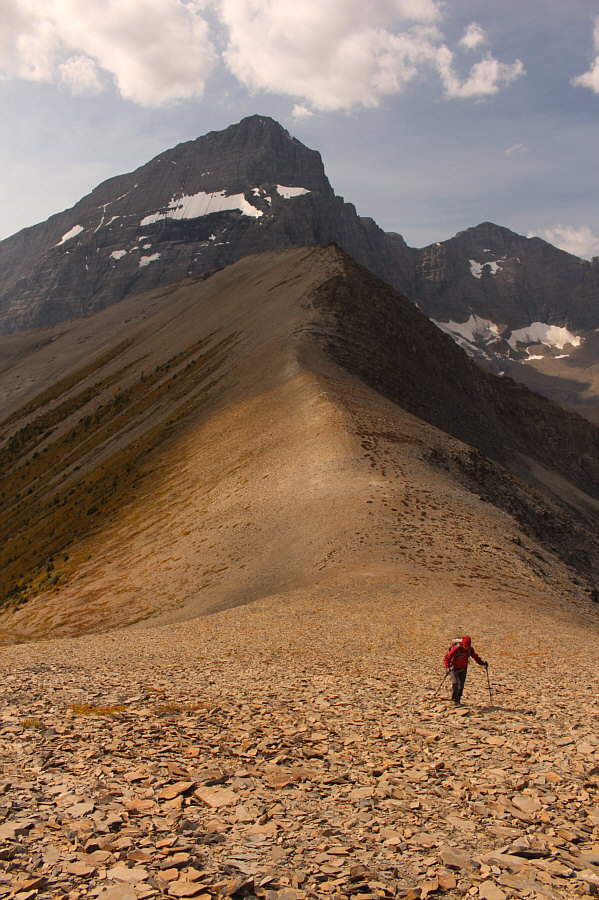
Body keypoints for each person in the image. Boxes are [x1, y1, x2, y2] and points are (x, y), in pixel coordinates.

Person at [444, 635, 488, 704]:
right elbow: (447, 658)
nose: (466, 648)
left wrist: (482, 663)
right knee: (455, 683)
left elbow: (475, 657)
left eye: (468, 646)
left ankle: (457, 700)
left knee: (460, 686)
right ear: (462, 644)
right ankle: (454, 698)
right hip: (453, 668)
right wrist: (447, 667)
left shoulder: (470, 650)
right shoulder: (456, 649)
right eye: (465, 646)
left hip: (463, 669)